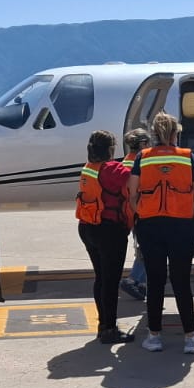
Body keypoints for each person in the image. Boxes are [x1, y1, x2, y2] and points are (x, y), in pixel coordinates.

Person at [127, 112, 194, 354]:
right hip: (182, 225)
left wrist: (140, 212)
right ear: (175, 134)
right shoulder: (187, 157)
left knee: (155, 280)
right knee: (181, 280)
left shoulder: (142, 157)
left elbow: (132, 192)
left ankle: (154, 336)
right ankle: (190, 337)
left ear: (153, 134)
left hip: (150, 225)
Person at [74, 129, 134, 344]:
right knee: (111, 281)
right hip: (109, 231)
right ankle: (110, 329)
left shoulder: (89, 167)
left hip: (87, 227)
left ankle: (103, 325)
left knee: (101, 278)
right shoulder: (112, 169)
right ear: (110, 149)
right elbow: (137, 179)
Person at [118, 127, 151, 301]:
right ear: (143, 144)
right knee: (147, 248)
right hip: (139, 212)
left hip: (130, 212)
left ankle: (143, 284)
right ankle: (133, 279)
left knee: (144, 246)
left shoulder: (126, 161)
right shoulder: (138, 164)